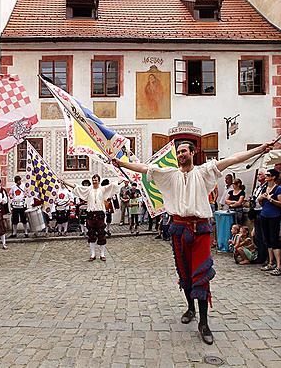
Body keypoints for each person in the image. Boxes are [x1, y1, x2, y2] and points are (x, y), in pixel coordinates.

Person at [114, 141, 271, 345]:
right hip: (178, 228)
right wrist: (121, 163)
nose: (180, 155)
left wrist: (259, 150)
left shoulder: (205, 171)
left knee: (201, 275)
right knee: (184, 273)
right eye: (178, 152)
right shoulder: (170, 174)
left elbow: (233, 159)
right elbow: (144, 168)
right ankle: (190, 308)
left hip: (200, 230)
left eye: (184, 151)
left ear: (192, 153)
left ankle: (204, 323)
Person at [63, 174, 122, 262]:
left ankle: (102, 254)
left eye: (96, 180)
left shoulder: (103, 189)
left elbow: (113, 185)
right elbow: (77, 187)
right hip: (90, 213)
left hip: (100, 214)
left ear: (99, 181)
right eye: (93, 180)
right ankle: (93, 254)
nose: (94, 182)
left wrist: (123, 178)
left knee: (101, 234)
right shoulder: (88, 189)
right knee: (91, 234)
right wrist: (65, 182)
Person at [257, 169, 281, 276]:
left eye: (268, 175)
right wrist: (261, 198)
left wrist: (271, 199)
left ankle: (279, 265)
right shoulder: (265, 188)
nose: (266, 177)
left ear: (273, 177)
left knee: (274, 239)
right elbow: (260, 202)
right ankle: (270, 262)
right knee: (267, 239)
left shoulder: (278, 189)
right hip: (264, 215)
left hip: (274, 216)